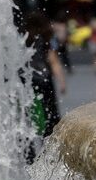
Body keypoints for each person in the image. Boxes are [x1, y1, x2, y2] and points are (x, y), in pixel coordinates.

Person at [23, 12, 66, 163]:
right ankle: (50, 151)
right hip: (44, 79)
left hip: (26, 80)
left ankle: (29, 153)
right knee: (51, 114)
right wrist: (62, 82)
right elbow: (53, 61)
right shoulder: (47, 37)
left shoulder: (23, 37)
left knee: (27, 113)